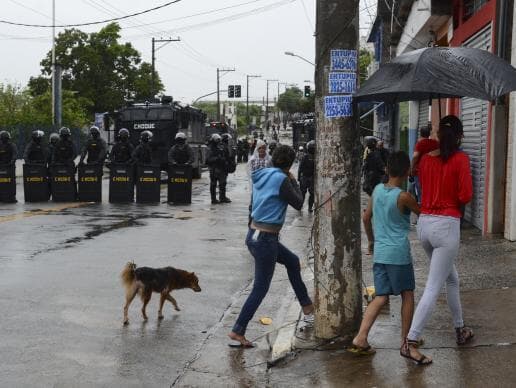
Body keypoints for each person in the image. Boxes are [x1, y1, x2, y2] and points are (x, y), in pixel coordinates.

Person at [402, 115, 473, 366]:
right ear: (460, 136)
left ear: (439, 135)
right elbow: (465, 194)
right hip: (446, 226)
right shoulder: (460, 158)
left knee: (452, 279)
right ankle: (410, 342)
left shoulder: (425, 158)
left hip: (424, 225)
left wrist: (425, 146)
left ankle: (460, 328)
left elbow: (414, 167)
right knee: (433, 287)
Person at [228, 145, 314, 347]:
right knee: (260, 288)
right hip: (266, 239)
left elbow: (253, 204)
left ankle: (308, 308)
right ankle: (237, 330)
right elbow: (299, 202)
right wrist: (293, 180)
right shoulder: (282, 179)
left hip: (255, 234)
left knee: (292, 262)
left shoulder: (261, 174)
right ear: (290, 163)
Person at [350, 151, 420, 356]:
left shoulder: (378, 190)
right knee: (407, 295)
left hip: (380, 252)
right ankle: (406, 342)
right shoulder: (404, 197)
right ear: (407, 171)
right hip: (398, 254)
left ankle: (361, 337)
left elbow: (365, 218)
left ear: (387, 169)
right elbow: (422, 212)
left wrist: (371, 240)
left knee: (381, 296)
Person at [410, 125, 439, 204]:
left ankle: (422, 207)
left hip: (420, 171)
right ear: (429, 133)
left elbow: (415, 156)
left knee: (421, 192)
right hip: (433, 172)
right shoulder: (435, 143)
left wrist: (411, 168)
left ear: (420, 134)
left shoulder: (420, 144)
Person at [206, 133, 228, 204]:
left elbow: (225, 156)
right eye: (217, 141)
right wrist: (217, 159)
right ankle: (213, 199)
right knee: (213, 184)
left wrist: (224, 160)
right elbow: (207, 160)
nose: (218, 143)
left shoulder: (221, 147)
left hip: (221, 168)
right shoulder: (209, 149)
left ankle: (222, 197)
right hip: (213, 169)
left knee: (222, 183)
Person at [298, 140, 315, 212]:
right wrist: (299, 177)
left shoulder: (316, 157)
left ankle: (309, 207)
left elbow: (300, 168)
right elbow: (300, 167)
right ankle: (301, 206)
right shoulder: (305, 157)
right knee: (303, 193)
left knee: (311, 194)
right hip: (305, 177)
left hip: (311, 177)